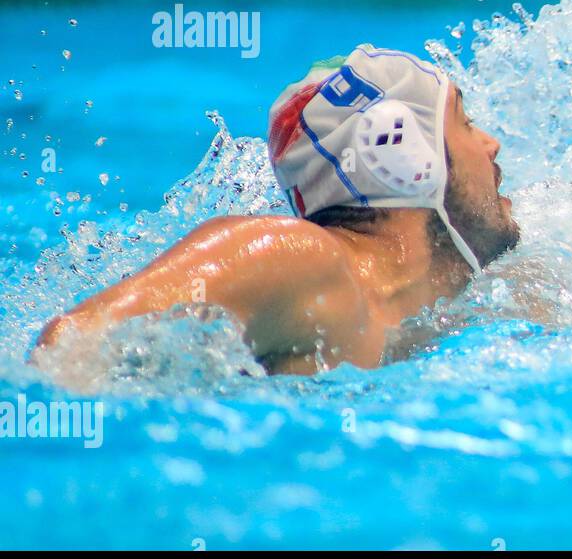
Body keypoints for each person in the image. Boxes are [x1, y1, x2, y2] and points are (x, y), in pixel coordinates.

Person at [33, 44, 519, 380]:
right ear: (401, 155)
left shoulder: (436, 313)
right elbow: (72, 341)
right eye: (466, 122)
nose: (490, 143)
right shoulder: (303, 260)